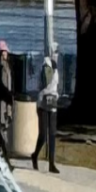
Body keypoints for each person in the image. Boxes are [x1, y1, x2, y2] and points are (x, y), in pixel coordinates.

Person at [35, 41, 62, 172]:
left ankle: (52, 163)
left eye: (57, 52)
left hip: (53, 103)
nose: (56, 54)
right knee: (43, 134)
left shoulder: (56, 66)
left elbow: (57, 84)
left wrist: (57, 94)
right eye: (55, 52)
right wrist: (52, 67)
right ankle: (35, 155)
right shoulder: (46, 64)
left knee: (52, 133)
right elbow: (47, 81)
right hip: (43, 103)